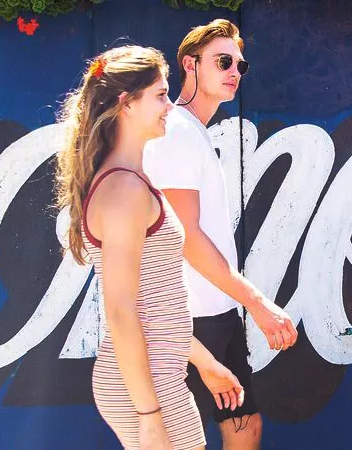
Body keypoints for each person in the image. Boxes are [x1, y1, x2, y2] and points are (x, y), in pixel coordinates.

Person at [56, 45, 244, 450]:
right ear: (127, 103)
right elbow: (121, 311)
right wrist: (149, 416)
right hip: (145, 386)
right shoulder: (124, 188)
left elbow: (154, 305)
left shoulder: (130, 179)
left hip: (158, 375)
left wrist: (204, 362)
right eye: (160, 96)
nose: (168, 107)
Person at [143, 19, 297, 450]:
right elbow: (185, 237)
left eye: (240, 65)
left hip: (217, 311)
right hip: (186, 318)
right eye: (223, 61)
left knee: (243, 426)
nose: (234, 72)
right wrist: (258, 302)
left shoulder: (193, 133)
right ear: (189, 64)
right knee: (180, 439)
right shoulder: (174, 132)